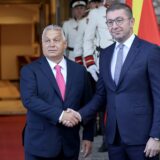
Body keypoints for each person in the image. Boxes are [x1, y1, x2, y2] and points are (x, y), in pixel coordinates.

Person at [65, 3, 160, 160]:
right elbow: (101, 95)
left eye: (119, 20)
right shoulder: (106, 54)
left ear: (132, 22)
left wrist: (156, 136)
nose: (114, 26)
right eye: (110, 22)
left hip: (143, 139)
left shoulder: (150, 51)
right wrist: (79, 114)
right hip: (114, 139)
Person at [20, 25, 94, 160]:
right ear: (42, 44)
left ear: (65, 44)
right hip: (39, 144)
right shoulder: (30, 71)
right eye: (47, 41)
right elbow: (29, 100)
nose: (51, 44)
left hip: (69, 144)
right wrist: (61, 115)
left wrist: (88, 136)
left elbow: (87, 104)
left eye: (56, 40)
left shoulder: (80, 71)